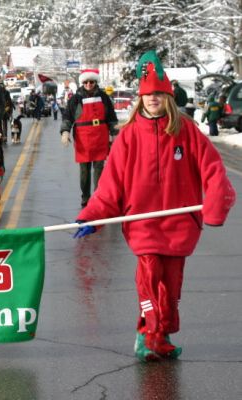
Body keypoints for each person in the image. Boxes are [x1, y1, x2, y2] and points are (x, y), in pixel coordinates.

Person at [73, 50, 236, 362]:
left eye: (159, 94)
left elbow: (213, 170)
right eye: (148, 95)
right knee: (149, 281)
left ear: (168, 98)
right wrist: (91, 216)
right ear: (140, 98)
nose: (153, 99)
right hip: (143, 223)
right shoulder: (128, 136)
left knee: (171, 289)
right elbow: (111, 185)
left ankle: (160, 334)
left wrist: (214, 207)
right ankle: (148, 336)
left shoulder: (187, 131)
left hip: (180, 225)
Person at [60, 68, 118, 207]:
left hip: (100, 136)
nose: (89, 84)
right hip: (83, 138)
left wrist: (114, 134)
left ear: (95, 82)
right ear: (82, 82)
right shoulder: (76, 99)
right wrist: (65, 131)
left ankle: (98, 196)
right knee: (84, 170)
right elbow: (68, 116)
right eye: (86, 82)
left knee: (99, 168)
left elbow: (111, 117)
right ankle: (85, 196)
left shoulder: (104, 97)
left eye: (91, 82)